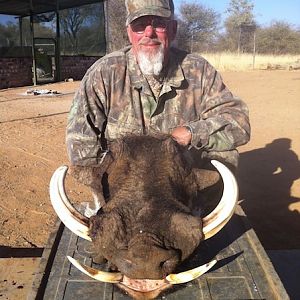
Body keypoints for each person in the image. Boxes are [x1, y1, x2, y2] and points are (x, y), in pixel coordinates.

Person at [66, 0, 250, 171]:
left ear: (173, 29)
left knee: (225, 153)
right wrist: (114, 181)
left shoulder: (199, 70)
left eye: (158, 24)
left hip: (184, 179)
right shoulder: (103, 73)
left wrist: (192, 133)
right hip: (127, 185)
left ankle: (205, 205)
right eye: (139, 26)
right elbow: (80, 142)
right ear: (129, 33)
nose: (149, 33)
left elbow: (239, 123)